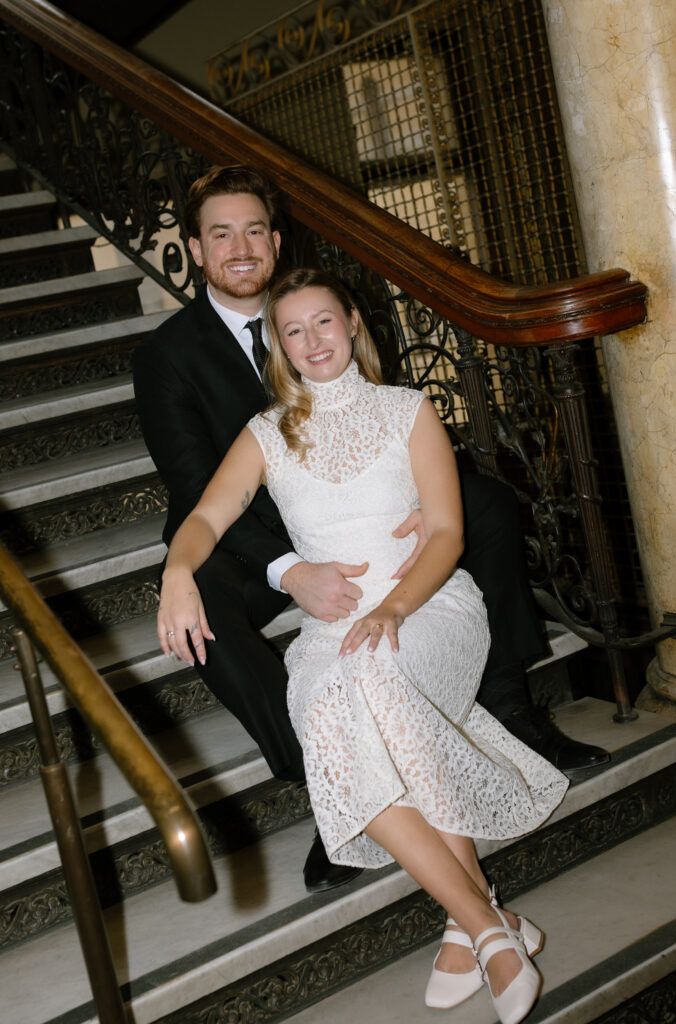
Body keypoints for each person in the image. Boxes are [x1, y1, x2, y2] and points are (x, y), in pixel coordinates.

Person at [132, 165, 607, 892]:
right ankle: (331, 782)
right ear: (195, 250)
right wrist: (289, 568)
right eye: (219, 233)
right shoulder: (166, 355)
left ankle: (510, 702)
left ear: (276, 240)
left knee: (482, 503)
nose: (239, 246)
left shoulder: (324, 309)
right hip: (250, 538)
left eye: (253, 229)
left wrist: (407, 494)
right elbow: (200, 494)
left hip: (356, 519)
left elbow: (384, 418)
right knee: (201, 600)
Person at [157, 268, 569, 1024]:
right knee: (330, 710)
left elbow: (446, 532)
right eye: (293, 330)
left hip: (430, 608)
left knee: (373, 677)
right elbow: (205, 518)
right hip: (330, 634)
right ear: (276, 346)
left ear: (350, 324)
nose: (312, 341)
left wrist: (396, 607)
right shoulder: (264, 432)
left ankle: (477, 928)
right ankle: (483, 924)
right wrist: (178, 570)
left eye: (324, 323)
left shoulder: (406, 410)